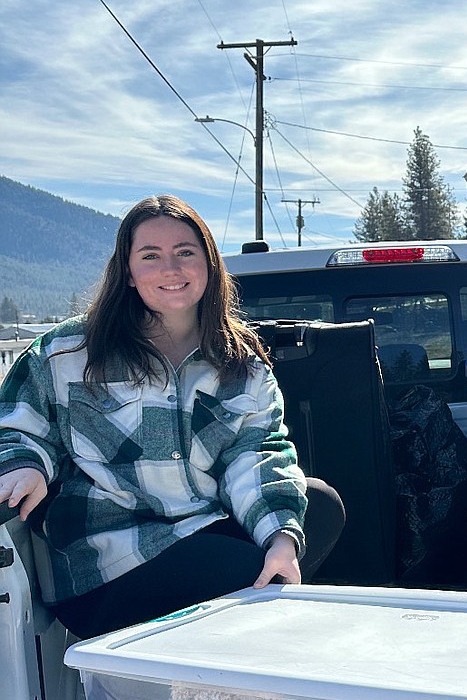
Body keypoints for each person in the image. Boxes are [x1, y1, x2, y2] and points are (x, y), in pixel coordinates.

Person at [0, 194, 345, 638]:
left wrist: (281, 536)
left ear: (209, 263)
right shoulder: (68, 352)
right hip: (107, 562)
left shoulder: (241, 364)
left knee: (318, 506)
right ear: (127, 271)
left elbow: (257, 453)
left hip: (200, 530)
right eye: (150, 256)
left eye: (185, 252)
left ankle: (226, 667)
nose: (171, 268)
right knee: (246, 570)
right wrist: (24, 464)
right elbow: (16, 424)